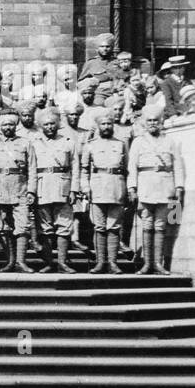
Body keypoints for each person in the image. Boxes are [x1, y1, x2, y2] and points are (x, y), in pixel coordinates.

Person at [127, 106, 185, 275]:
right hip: (145, 188)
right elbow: (132, 167)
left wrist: (179, 187)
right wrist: (132, 188)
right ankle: (147, 264)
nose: (153, 123)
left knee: (161, 226)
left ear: (161, 123)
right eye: (149, 121)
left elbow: (178, 166)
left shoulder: (170, 141)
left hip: (165, 189)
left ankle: (158, 264)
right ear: (145, 123)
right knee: (147, 225)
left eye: (156, 121)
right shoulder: (138, 142)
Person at [30, 106, 82, 273]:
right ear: (40, 125)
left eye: (53, 124)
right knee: (44, 227)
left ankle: (62, 263)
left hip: (63, 187)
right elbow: (30, 168)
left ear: (58, 124)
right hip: (42, 187)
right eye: (46, 124)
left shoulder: (68, 142)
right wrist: (31, 191)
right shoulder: (33, 143)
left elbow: (76, 168)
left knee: (64, 225)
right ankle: (49, 263)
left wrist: (74, 190)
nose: (50, 127)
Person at [0, 110, 38, 273]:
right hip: (0, 188)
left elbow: (32, 168)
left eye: (10, 124)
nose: (7, 127)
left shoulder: (25, 143)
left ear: (16, 125)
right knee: (3, 227)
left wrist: (31, 191)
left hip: (20, 188)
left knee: (22, 225)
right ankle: (10, 261)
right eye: (4, 125)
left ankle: (21, 262)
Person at [80, 109, 128, 275]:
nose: (106, 126)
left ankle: (113, 263)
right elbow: (84, 169)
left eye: (109, 124)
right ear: (98, 126)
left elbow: (127, 169)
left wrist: (128, 190)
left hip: (117, 188)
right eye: (103, 124)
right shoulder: (90, 145)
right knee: (99, 227)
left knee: (114, 228)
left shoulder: (121, 144)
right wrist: (85, 188)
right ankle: (100, 262)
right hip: (97, 189)